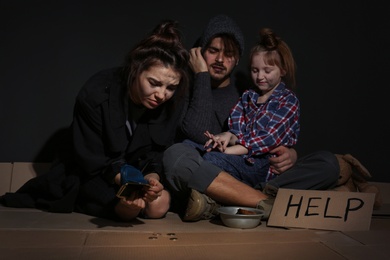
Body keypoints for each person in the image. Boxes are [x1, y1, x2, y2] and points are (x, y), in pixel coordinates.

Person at [0, 20, 190, 222]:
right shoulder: (96, 93)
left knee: (159, 205)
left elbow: (156, 154)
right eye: (153, 83)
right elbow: (93, 162)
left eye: (170, 87)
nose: (161, 94)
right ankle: (120, 208)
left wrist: (152, 181)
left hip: (138, 174)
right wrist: (129, 185)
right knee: (130, 207)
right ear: (136, 69)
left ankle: (133, 203)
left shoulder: (171, 102)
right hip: (93, 173)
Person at [162, 14, 340, 222]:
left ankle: (230, 200)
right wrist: (201, 76)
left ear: (238, 59)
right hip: (217, 168)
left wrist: (290, 154)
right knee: (177, 154)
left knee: (328, 163)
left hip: (251, 170)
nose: (220, 60)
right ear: (200, 53)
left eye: (229, 54)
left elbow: (268, 136)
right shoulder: (180, 86)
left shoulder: (247, 91)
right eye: (212, 51)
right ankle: (264, 202)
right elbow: (196, 132)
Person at [200, 27, 300, 189]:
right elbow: (237, 130)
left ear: (282, 70)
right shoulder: (248, 96)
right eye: (255, 70)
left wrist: (227, 152)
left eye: (267, 71)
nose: (260, 76)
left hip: (266, 164)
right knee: (197, 152)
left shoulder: (287, 100)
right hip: (243, 160)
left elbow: (268, 139)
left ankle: (253, 188)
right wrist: (226, 137)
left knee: (212, 160)